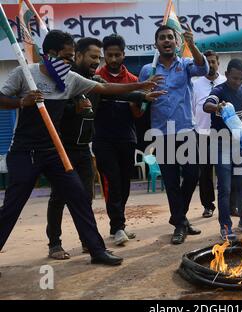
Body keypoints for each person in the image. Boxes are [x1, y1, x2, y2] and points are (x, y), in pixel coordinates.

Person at [0, 30, 160, 269]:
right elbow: (1, 99)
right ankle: (52, 242)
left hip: (55, 151)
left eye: (72, 56)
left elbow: (105, 90)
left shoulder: (71, 79)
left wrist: (141, 86)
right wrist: (21, 102)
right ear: (50, 54)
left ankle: (97, 250)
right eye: (66, 56)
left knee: (79, 197)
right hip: (25, 152)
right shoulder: (25, 74)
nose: (69, 61)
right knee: (13, 205)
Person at [45, 37, 165, 260]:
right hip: (63, 147)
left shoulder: (95, 79)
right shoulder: (63, 79)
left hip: (83, 149)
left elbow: (116, 91)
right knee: (59, 196)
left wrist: (141, 94)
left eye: (97, 57)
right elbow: (55, 109)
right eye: (93, 57)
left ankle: (87, 241)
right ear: (78, 56)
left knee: (86, 197)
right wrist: (74, 108)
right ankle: (54, 243)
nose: (96, 61)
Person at [139, 25, 209, 244]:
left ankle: (178, 217)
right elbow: (141, 96)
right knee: (170, 181)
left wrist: (193, 45)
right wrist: (145, 96)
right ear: (156, 43)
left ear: (177, 43)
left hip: (186, 130)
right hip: (162, 133)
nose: (167, 40)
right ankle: (180, 224)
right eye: (162, 38)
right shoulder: (147, 70)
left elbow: (203, 69)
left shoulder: (186, 65)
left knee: (191, 175)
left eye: (170, 37)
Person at [93, 34, 154, 246]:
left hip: (127, 139)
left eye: (117, 54)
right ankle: (118, 226)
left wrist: (135, 103)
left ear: (123, 55)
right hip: (103, 139)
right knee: (112, 183)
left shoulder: (134, 81)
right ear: (104, 55)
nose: (113, 58)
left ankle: (117, 226)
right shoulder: (95, 78)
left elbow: (138, 115)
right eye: (109, 55)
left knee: (125, 184)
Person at [203, 58, 242, 240]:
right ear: (226, 75)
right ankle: (225, 226)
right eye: (234, 78)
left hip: (239, 144)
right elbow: (206, 105)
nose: (238, 82)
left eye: (241, 78)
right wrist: (218, 107)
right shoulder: (218, 91)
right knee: (224, 187)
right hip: (220, 144)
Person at [192, 50, 226, 218]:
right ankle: (208, 205)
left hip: (222, 135)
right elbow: (192, 109)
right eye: (208, 62)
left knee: (224, 170)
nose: (211, 65)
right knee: (204, 172)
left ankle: (226, 204)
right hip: (202, 134)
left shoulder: (225, 82)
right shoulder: (196, 84)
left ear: (218, 63)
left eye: (213, 61)